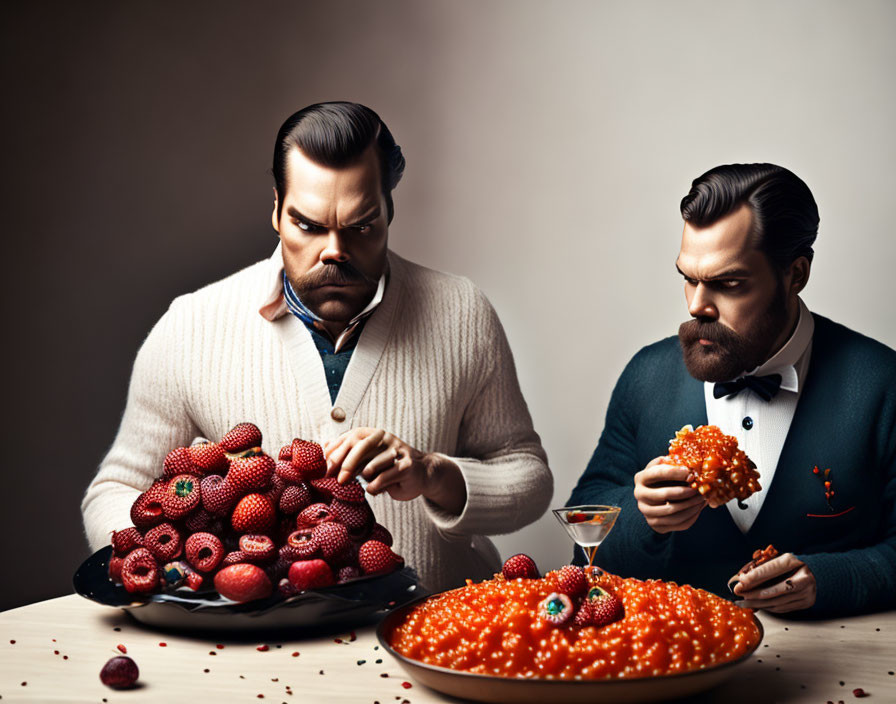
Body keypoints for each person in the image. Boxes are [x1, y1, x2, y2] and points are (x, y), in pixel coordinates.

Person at [81, 101, 552, 593]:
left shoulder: (461, 313)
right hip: (254, 653)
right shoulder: (192, 326)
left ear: (390, 211)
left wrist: (433, 474)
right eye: (308, 226)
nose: (334, 251)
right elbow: (115, 491)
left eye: (361, 226)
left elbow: (528, 475)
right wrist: (171, 567)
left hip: (435, 639)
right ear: (277, 212)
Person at [568, 163, 896, 615]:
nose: (697, 305)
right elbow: (582, 532)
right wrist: (643, 517)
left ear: (795, 275)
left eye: (729, 283)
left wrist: (830, 579)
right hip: (677, 660)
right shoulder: (647, 376)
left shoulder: (881, 383)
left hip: (837, 667)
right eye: (688, 278)